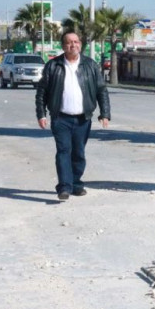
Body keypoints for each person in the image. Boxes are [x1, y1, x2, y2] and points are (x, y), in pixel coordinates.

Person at [35, 30, 110, 202]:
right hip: (60, 118)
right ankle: (64, 187)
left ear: (80, 44)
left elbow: (101, 90)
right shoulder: (53, 66)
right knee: (63, 151)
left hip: (83, 119)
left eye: (76, 41)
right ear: (63, 46)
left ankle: (76, 184)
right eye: (69, 42)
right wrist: (41, 114)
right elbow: (42, 92)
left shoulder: (90, 65)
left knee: (79, 153)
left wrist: (105, 113)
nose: (73, 45)